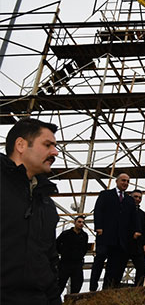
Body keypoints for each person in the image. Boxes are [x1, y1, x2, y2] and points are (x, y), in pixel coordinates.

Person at [0, 118, 61, 305]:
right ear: (21, 145)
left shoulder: (46, 203)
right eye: (47, 144)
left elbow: (49, 259)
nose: (55, 152)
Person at [93, 173, 142, 289]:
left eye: (127, 181)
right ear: (117, 181)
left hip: (120, 239)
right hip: (106, 235)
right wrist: (98, 227)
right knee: (99, 261)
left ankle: (109, 288)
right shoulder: (106, 195)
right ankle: (93, 286)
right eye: (123, 180)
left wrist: (137, 230)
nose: (125, 183)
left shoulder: (129, 200)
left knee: (114, 265)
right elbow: (98, 210)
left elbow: (134, 217)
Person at [56, 216, 89, 295]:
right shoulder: (66, 234)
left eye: (82, 222)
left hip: (77, 264)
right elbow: (56, 244)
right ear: (75, 223)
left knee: (77, 285)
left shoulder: (84, 235)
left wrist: (80, 255)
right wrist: (63, 252)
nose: (81, 224)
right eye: (79, 222)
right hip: (65, 263)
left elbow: (85, 248)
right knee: (59, 284)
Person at [127, 190, 145, 286]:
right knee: (117, 268)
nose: (138, 199)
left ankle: (138, 289)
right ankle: (111, 289)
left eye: (139, 197)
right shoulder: (123, 210)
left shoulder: (141, 213)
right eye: (135, 197)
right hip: (124, 243)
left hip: (137, 245)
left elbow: (144, 229)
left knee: (142, 266)